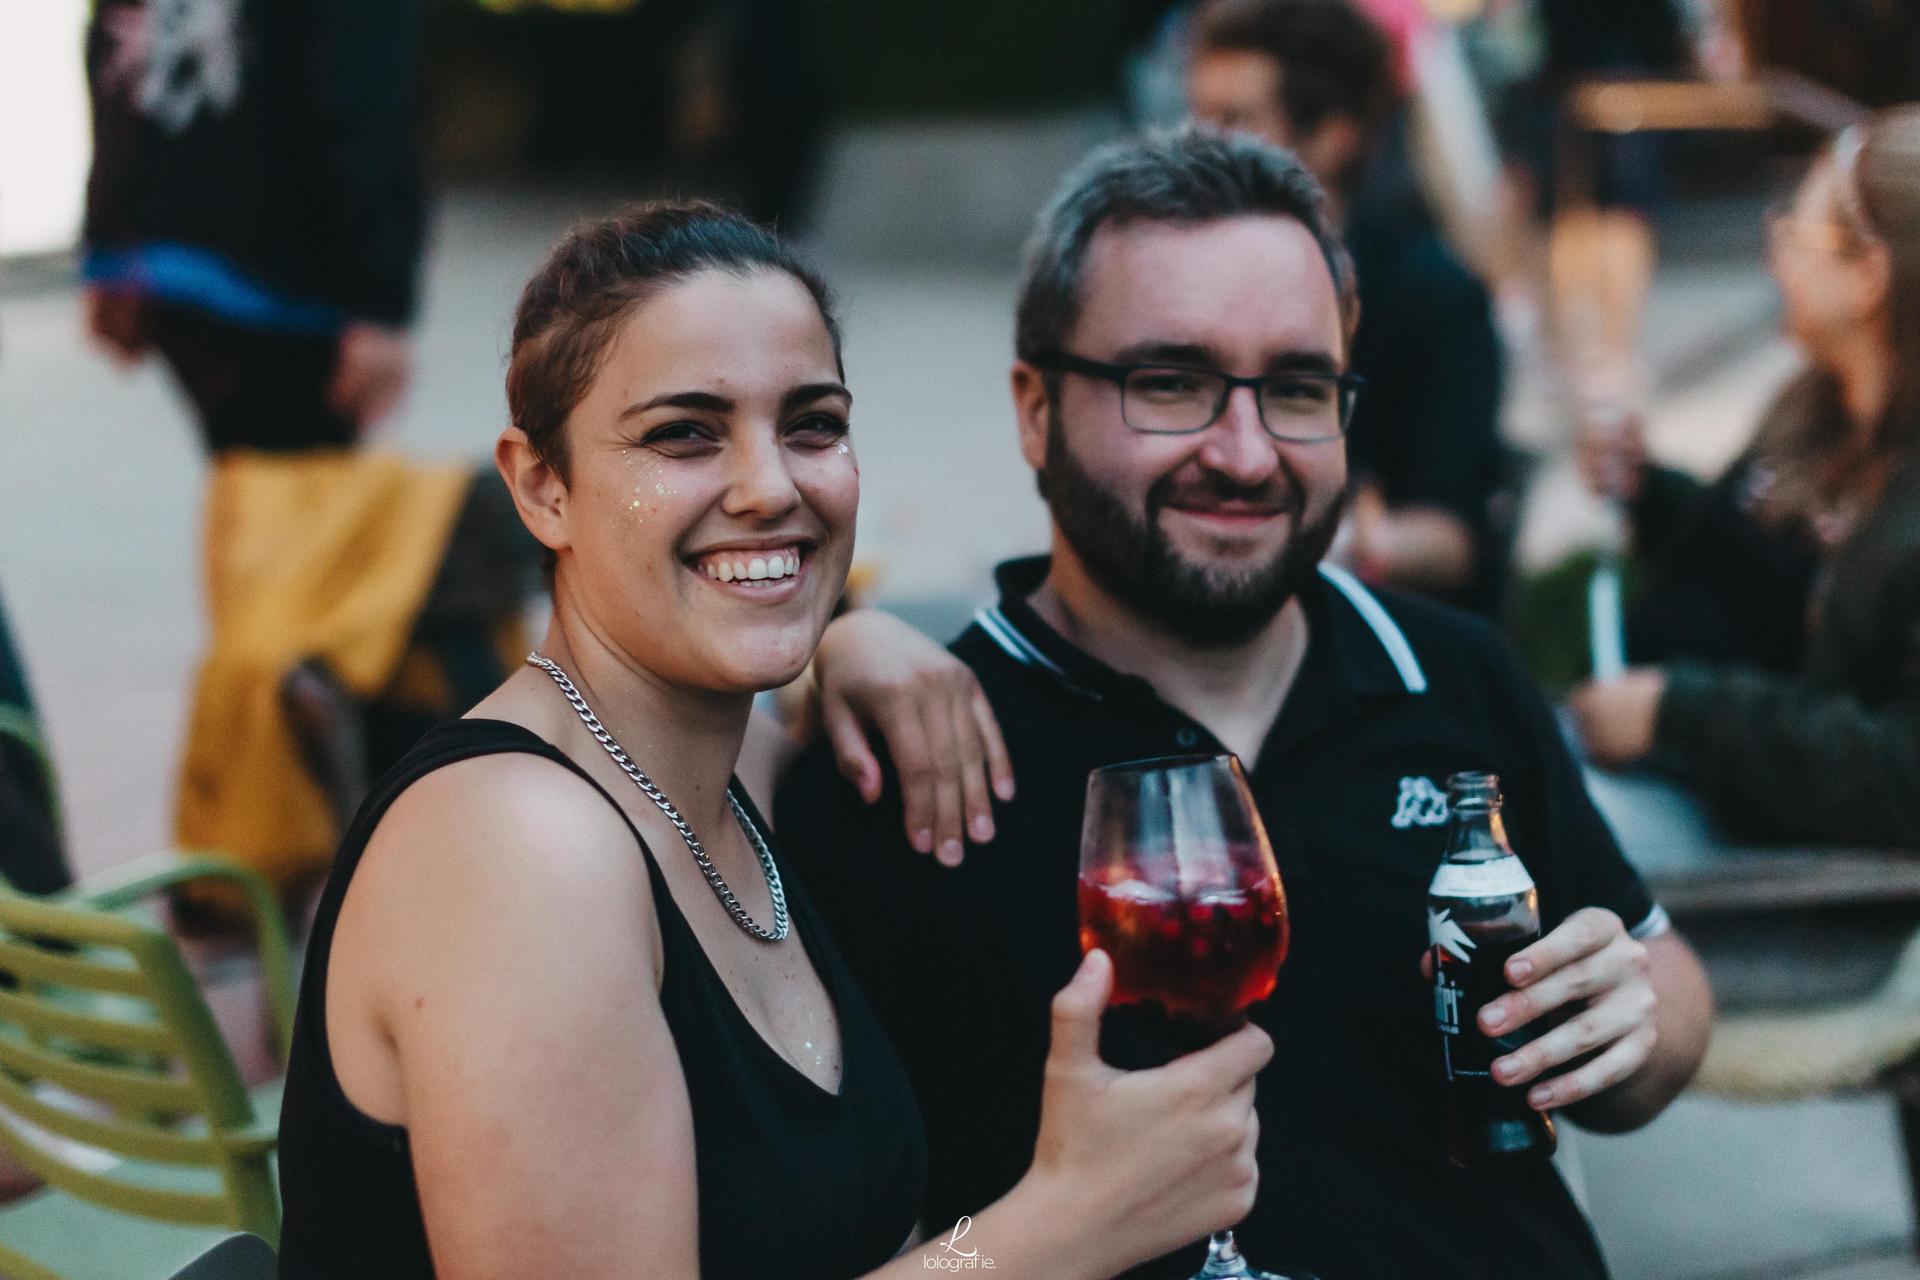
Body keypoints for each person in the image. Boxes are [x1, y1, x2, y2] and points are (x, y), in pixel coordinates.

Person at [778, 127, 1713, 1279]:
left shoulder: (1451, 671)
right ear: (1035, 408)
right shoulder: (908, 760)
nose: (1245, 451)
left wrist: (1630, 1018)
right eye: (1171, 383)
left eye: (1296, 389)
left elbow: (1665, 983)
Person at [275, 202, 1273, 1279]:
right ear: (541, 486)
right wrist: (1058, 1226)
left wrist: (847, 642)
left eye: (812, 424)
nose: (771, 486)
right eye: (684, 433)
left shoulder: (736, 766)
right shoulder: (521, 850)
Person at [79, 0, 553, 904]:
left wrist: (110, 242)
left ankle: (297, 816)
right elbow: (364, 96)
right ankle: (275, 830)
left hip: (177, 264)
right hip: (285, 277)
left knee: (269, 520)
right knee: (304, 554)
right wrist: (380, 302)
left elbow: (116, 45)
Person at [1569, 107, 1920, 849]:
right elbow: (1769, 577)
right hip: (1681, 777)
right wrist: (1648, 492)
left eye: (1797, 228)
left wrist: (1680, 716)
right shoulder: (1819, 407)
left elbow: (1902, 770)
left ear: (1869, 276)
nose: (1774, 243)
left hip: (1787, 865)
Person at [1186, 0, 1510, 613]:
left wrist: (1299, 544)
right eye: (1196, 116)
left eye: (1234, 120)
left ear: (1334, 138)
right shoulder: (1181, 284)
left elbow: (1453, 540)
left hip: (1377, 629)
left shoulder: (1434, 297)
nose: (1200, 147)